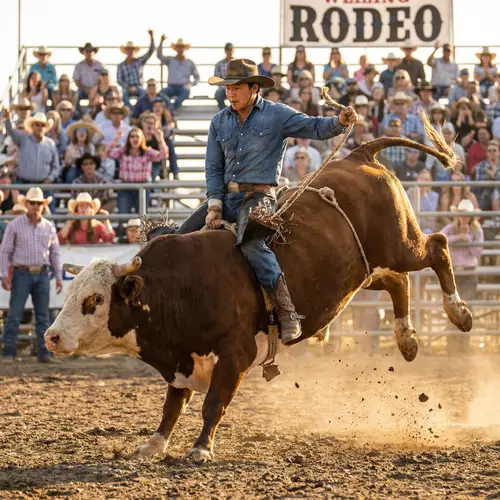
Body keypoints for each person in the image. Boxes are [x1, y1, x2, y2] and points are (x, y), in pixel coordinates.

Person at [175, 58, 357, 344]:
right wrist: (214, 204)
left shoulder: (276, 115)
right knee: (176, 238)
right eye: (227, 88)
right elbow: (213, 168)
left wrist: (339, 122)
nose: (230, 93)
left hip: (259, 196)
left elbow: (314, 127)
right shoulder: (219, 121)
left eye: (236, 88)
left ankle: (288, 312)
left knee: (252, 242)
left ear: (253, 88)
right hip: (224, 196)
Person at [0, 187, 62, 363]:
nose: (36, 206)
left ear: (43, 205)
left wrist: (58, 275)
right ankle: (9, 352)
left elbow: (55, 254)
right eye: (33, 203)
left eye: (39, 203)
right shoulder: (15, 225)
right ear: (27, 204)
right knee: (15, 315)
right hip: (22, 272)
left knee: (42, 316)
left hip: (40, 273)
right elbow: (4, 252)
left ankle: (43, 352)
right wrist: (4, 274)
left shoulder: (48, 227)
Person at [440, 199, 484, 354]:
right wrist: (458, 237)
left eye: (467, 215)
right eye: (462, 214)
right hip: (453, 275)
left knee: (466, 310)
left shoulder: (477, 231)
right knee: (452, 310)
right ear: (458, 216)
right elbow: (440, 240)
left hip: (469, 274)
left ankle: (463, 347)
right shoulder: (450, 229)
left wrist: (469, 239)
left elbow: (478, 253)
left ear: (472, 217)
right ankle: (451, 347)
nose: (464, 218)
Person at [2, 110, 59, 211]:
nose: (39, 127)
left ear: (45, 127)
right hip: (24, 184)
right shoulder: (23, 139)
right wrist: (8, 119)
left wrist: (50, 178)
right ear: (32, 126)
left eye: (42, 125)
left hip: (44, 184)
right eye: (37, 124)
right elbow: (10, 131)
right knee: (22, 213)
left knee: (49, 214)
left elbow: (56, 166)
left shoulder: (51, 144)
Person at [107, 127, 167, 215]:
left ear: (141, 139)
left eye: (137, 137)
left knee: (142, 219)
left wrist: (160, 140)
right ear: (129, 139)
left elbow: (163, 155)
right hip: (125, 188)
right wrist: (116, 139)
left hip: (142, 189)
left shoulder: (147, 152)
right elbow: (108, 152)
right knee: (123, 218)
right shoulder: (123, 151)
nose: (135, 139)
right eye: (132, 136)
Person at [157, 36, 200, 111]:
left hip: (183, 87)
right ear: (176, 49)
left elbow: (197, 77)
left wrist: (190, 84)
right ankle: (171, 107)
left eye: (182, 47)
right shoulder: (170, 60)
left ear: (184, 49)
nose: (180, 49)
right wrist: (161, 42)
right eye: (178, 47)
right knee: (161, 93)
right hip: (171, 87)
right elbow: (159, 55)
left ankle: (171, 108)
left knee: (186, 91)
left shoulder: (190, 62)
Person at [117, 30, 155, 109]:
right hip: (126, 88)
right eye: (128, 49)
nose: (130, 51)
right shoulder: (121, 65)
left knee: (144, 94)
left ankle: (138, 108)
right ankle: (131, 110)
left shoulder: (139, 61)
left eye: (132, 49)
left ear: (135, 51)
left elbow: (150, 51)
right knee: (123, 94)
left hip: (139, 86)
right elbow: (119, 80)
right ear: (126, 51)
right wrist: (127, 87)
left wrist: (151, 38)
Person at [73, 42, 104, 112]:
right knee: (76, 96)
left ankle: (97, 112)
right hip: (83, 89)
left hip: (97, 89)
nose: (89, 53)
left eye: (90, 51)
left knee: (102, 97)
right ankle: (78, 113)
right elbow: (77, 81)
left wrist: (94, 89)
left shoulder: (100, 65)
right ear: (83, 52)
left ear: (94, 52)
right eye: (87, 51)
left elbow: (103, 79)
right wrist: (85, 89)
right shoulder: (78, 66)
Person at [407, 169, 439, 234]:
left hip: (427, 226)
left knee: (427, 231)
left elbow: (431, 216)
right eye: (421, 178)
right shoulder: (409, 193)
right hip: (411, 224)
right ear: (417, 180)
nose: (423, 181)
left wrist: (425, 195)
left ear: (430, 182)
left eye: (426, 180)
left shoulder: (434, 196)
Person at [472, 139, 500, 210]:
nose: (492, 153)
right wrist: (489, 178)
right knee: (495, 193)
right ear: (486, 153)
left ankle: (496, 220)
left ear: (499, 152)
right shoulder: (480, 166)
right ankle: (497, 220)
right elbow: (479, 186)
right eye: (489, 151)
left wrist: (493, 176)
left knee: (496, 193)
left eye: (494, 150)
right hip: (484, 196)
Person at [214, 43, 235, 110]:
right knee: (218, 94)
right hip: (223, 87)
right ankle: (226, 111)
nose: (229, 51)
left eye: (230, 50)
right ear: (225, 51)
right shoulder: (219, 64)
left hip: (236, 86)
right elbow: (216, 79)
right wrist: (225, 86)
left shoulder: (238, 63)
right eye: (228, 50)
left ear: (233, 50)